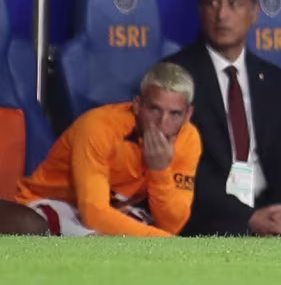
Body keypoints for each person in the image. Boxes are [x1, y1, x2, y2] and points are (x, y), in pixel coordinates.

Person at [164, 0, 281, 237]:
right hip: (209, 215)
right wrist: (248, 218)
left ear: (254, 12)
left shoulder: (275, 80)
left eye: (234, 4)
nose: (222, 15)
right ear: (200, 10)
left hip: (268, 209)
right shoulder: (175, 77)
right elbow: (182, 172)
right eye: (212, 3)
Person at [0, 62, 200, 237]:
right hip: (54, 203)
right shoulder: (98, 127)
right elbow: (93, 215)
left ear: (188, 115)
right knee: (96, 239)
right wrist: (164, 243)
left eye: (175, 114)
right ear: (138, 105)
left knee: (139, 230)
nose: (162, 123)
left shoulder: (189, 139)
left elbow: (172, 225)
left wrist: (160, 171)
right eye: (154, 109)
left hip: (115, 210)